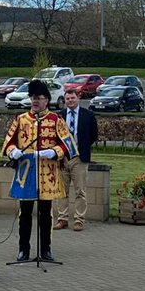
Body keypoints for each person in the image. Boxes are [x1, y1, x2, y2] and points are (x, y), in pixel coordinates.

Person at [2, 79, 72, 262]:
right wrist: (13, 152)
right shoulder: (21, 119)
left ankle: (45, 250)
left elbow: (69, 145)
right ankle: (23, 249)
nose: (35, 101)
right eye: (33, 97)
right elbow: (8, 143)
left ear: (46, 100)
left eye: (39, 98)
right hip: (26, 173)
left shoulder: (56, 120)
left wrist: (54, 152)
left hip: (47, 173)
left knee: (45, 213)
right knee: (24, 212)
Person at [56, 88, 98, 232]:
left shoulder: (88, 115)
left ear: (78, 98)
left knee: (80, 191)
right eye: (67, 99)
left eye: (72, 98)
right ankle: (62, 219)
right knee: (62, 191)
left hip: (80, 158)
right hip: (63, 158)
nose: (70, 101)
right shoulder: (59, 116)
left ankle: (79, 220)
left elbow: (93, 135)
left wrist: (81, 148)